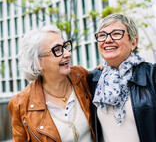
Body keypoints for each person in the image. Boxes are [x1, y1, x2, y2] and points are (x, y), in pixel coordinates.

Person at [8, 25, 96, 142]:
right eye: (58, 49)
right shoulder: (20, 104)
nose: (68, 54)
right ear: (38, 62)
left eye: (65, 46)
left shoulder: (82, 77)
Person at [87, 13, 156, 142]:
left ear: (134, 42)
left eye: (116, 34)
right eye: (102, 35)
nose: (108, 40)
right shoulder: (94, 80)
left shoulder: (152, 75)